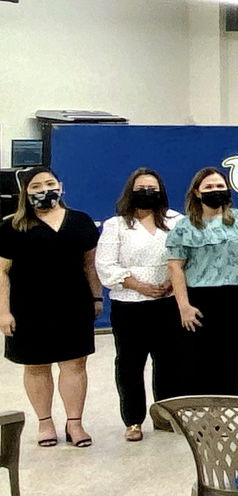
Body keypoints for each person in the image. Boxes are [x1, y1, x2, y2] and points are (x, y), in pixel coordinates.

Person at [1, 167, 101, 448]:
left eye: (50, 183)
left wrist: (97, 298)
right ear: (25, 192)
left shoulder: (80, 221)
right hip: (28, 307)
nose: (44, 190)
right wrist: (3, 311)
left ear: (61, 186)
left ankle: (75, 423)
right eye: (36, 186)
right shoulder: (11, 227)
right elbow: (1, 272)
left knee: (74, 364)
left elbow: (89, 265)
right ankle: (45, 423)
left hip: (73, 304)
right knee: (36, 366)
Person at [96, 168, 183, 442]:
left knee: (168, 363)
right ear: (130, 191)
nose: (147, 192)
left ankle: (165, 414)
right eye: (141, 187)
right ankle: (133, 420)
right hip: (129, 304)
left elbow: (185, 257)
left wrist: (171, 283)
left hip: (167, 303)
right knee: (130, 364)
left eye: (152, 187)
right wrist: (139, 285)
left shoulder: (176, 221)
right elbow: (106, 265)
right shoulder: (116, 225)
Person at [167, 167, 238, 397]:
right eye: (208, 187)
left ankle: (227, 416)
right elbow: (175, 267)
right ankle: (202, 420)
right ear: (197, 192)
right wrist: (183, 306)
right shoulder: (184, 227)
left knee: (229, 359)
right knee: (197, 361)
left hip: (234, 298)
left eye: (219, 186)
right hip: (198, 299)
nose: (215, 190)